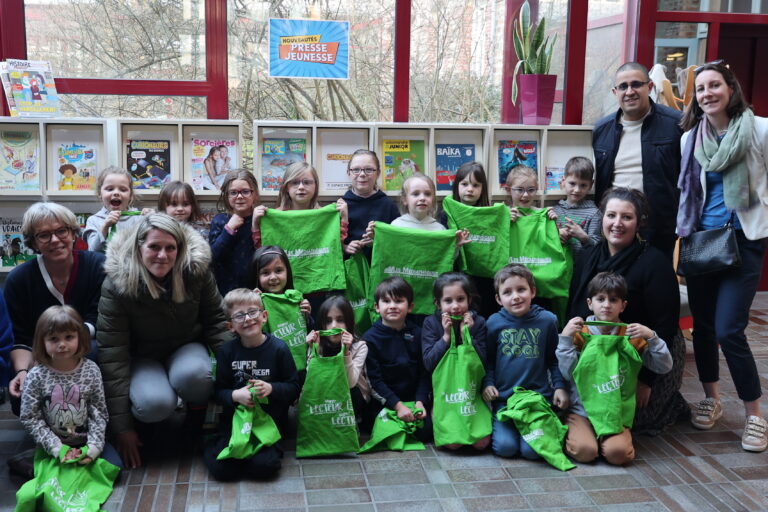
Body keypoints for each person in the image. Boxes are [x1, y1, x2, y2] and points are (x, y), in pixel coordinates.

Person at [677, 60, 768, 452]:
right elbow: (689, 193)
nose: (707, 93)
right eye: (700, 89)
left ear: (731, 88)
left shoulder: (760, 129)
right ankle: (711, 397)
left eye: (714, 85)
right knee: (706, 328)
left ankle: (754, 416)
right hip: (703, 242)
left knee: (730, 329)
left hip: (744, 240)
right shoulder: (690, 140)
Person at [97, 213, 231, 469]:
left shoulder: (196, 271)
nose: (163, 255)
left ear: (180, 250)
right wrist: (122, 429)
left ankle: (196, 421)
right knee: (154, 403)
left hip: (186, 346)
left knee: (197, 374)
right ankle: (150, 428)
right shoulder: (116, 284)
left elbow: (216, 321)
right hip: (142, 356)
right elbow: (112, 356)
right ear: (139, 247)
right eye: (154, 247)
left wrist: (239, 376)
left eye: (171, 248)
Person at [569, 187, 687, 434]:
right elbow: (575, 306)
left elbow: (665, 325)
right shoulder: (588, 257)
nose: (617, 223)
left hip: (643, 354)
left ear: (639, 222)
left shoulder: (655, 263)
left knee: (637, 420)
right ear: (602, 217)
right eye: (611, 215)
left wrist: (646, 380)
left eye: (627, 217)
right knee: (590, 413)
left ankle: (672, 402)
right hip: (598, 348)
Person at [558, 272, 672, 465]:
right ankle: (579, 430)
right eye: (600, 299)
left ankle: (607, 439)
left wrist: (652, 337)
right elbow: (567, 372)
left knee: (618, 454)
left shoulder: (631, 335)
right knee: (584, 451)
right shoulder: (580, 333)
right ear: (589, 303)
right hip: (582, 410)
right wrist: (566, 339)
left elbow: (664, 366)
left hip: (615, 411)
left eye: (613, 300)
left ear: (623, 305)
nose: (607, 305)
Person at [4, 202, 105, 417]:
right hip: (39, 354)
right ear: (33, 242)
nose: (55, 240)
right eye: (44, 235)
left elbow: (99, 320)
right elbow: (20, 337)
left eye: (62, 231)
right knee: (22, 393)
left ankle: (95, 428)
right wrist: (23, 372)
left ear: (73, 232)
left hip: (88, 348)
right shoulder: (19, 279)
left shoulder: (98, 266)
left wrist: (60, 349)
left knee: (93, 353)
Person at [204, 288, 300, 481]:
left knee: (265, 468)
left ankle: (247, 456)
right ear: (230, 326)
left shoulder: (279, 348)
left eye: (252, 312)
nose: (247, 319)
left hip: (269, 423)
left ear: (264, 316)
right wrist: (235, 395)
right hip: (235, 421)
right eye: (239, 316)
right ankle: (209, 443)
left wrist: (272, 389)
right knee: (222, 471)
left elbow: (294, 387)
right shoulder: (226, 352)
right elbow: (218, 391)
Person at [592, 62, 683, 261]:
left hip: (659, 229)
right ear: (615, 92)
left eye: (636, 84)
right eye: (623, 87)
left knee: (654, 288)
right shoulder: (601, 129)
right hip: (615, 228)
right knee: (614, 288)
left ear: (649, 87)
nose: (630, 91)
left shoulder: (676, 124)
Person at [482, 264, 568, 459]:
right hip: (505, 401)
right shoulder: (493, 323)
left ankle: (543, 424)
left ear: (533, 291)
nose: (516, 296)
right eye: (507, 292)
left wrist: (559, 387)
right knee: (505, 448)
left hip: (537, 399)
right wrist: (488, 384)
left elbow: (553, 360)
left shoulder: (547, 321)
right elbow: (488, 361)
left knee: (532, 453)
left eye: (521, 289)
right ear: (498, 299)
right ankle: (513, 430)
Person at [20, 306, 122, 470]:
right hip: (52, 443)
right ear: (42, 341)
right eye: (53, 339)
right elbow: (29, 417)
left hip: (85, 440)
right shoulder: (36, 376)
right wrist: (57, 448)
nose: (62, 344)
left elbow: (99, 412)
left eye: (69, 337)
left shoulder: (91, 370)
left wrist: (92, 448)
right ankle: (29, 460)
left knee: (114, 467)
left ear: (80, 338)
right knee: (45, 473)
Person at [421, 272, 489, 450]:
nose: (455, 306)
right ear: (438, 303)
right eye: (448, 301)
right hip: (445, 392)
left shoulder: (479, 322)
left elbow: (482, 362)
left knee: (482, 444)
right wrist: (445, 336)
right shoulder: (430, 323)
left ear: (469, 299)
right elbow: (429, 363)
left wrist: (467, 334)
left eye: (460, 299)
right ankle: (438, 412)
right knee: (453, 444)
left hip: (471, 391)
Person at [363, 277, 432, 441]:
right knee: (388, 433)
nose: (392, 306)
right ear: (376, 307)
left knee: (426, 433)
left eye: (399, 301)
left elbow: (424, 373)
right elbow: (375, 381)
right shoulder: (370, 339)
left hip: (414, 401)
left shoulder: (419, 333)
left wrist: (420, 402)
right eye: (386, 301)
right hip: (386, 403)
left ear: (410, 307)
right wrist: (397, 406)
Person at [305, 295, 373, 431]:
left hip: (354, 397)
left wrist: (346, 352)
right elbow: (313, 380)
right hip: (326, 396)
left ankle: (352, 422)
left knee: (350, 390)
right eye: (328, 321)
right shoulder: (319, 345)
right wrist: (314, 352)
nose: (334, 326)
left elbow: (351, 382)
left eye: (340, 320)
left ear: (350, 323)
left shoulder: (360, 346)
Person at [209, 170, 265, 295]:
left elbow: (268, 256)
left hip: (256, 292)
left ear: (254, 194)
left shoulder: (263, 220)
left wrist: (255, 224)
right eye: (233, 192)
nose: (239, 196)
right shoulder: (220, 221)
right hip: (225, 292)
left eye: (245, 191)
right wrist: (228, 230)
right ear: (226, 196)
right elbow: (213, 258)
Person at [341, 149, 400, 257]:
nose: (362, 174)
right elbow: (331, 243)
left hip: (381, 269)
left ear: (378, 173)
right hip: (349, 269)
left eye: (369, 169)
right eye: (356, 170)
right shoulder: (340, 206)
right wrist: (345, 248)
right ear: (348, 173)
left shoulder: (389, 206)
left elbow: (398, 243)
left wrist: (377, 242)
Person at [82, 166, 148, 253]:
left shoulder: (139, 218)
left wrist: (153, 220)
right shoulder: (94, 220)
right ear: (99, 193)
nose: (116, 192)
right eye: (110, 189)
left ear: (130, 195)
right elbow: (93, 251)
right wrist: (105, 228)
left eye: (123, 190)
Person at [552, 156, 602, 254]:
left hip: (582, 265)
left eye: (583, 185)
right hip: (558, 265)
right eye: (572, 183)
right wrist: (556, 235)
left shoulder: (594, 213)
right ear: (563, 181)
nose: (577, 190)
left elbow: (598, 247)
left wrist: (583, 237)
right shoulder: (554, 210)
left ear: (591, 185)